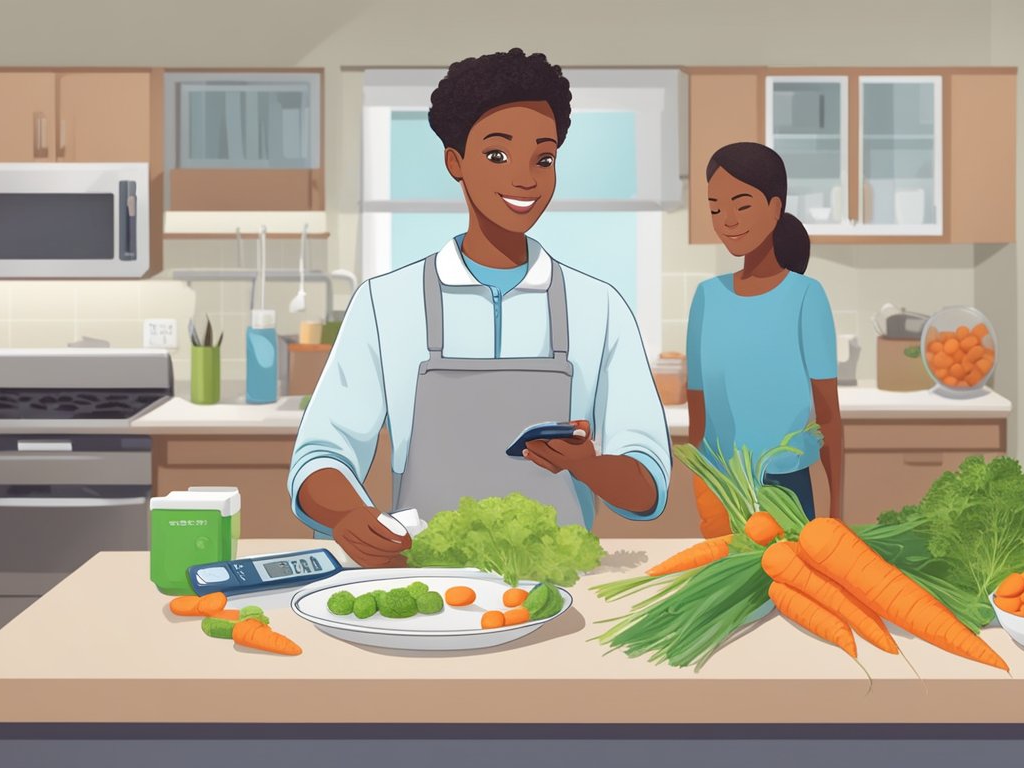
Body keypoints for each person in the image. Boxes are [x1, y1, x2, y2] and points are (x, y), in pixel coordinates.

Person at [288, 49, 671, 566]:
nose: (525, 179)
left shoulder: (599, 308)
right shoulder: (386, 304)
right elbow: (321, 455)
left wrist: (590, 467)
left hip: (557, 588)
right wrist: (347, 515)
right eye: (497, 155)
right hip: (425, 581)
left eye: (544, 158)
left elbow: (647, 487)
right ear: (455, 162)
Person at [686, 142, 844, 521]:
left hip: (785, 486)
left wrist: (836, 510)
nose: (727, 219)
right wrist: (701, 484)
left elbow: (828, 416)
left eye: (742, 205)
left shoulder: (807, 296)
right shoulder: (706, 297)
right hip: (720, 483)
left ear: (775, 208)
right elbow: (698, 411)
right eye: (715, 209)